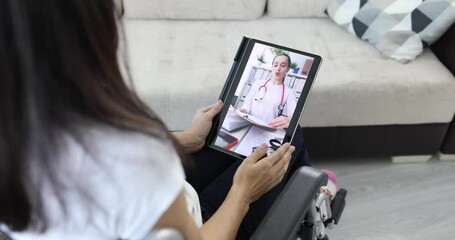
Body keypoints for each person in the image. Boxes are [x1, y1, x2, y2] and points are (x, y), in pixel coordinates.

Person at [0, 0, 299, 240]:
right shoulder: (134, 158)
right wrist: (242, 194)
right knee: (289, 141)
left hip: (158, 202)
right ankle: (312, 193)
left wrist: (187, 137)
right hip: (196, 222)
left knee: (228, 141)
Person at [238, 54, 298, 129]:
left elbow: (294, 113)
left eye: (283, 66)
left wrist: (290, 119)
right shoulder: (258, 83)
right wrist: (244, 110)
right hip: (249, 124)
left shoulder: (289, 92)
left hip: (268, 128)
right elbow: (247, 104)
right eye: (275, 65)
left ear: (288, 69)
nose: (278, 69)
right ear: (272, 66)